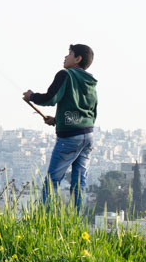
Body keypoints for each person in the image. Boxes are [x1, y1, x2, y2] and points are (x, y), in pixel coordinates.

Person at [24, 43, 98, 211]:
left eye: (69, 54)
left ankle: (44, 218)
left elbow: (51, 98)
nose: (65, 57)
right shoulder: (90, 81)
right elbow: (86, 109)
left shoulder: (66, 74)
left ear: (78, 58)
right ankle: (76, 221)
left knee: (53, 180)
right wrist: (58, 120)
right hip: (88, 136)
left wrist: (32, 96)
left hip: (69, 138)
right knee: (80, 182)